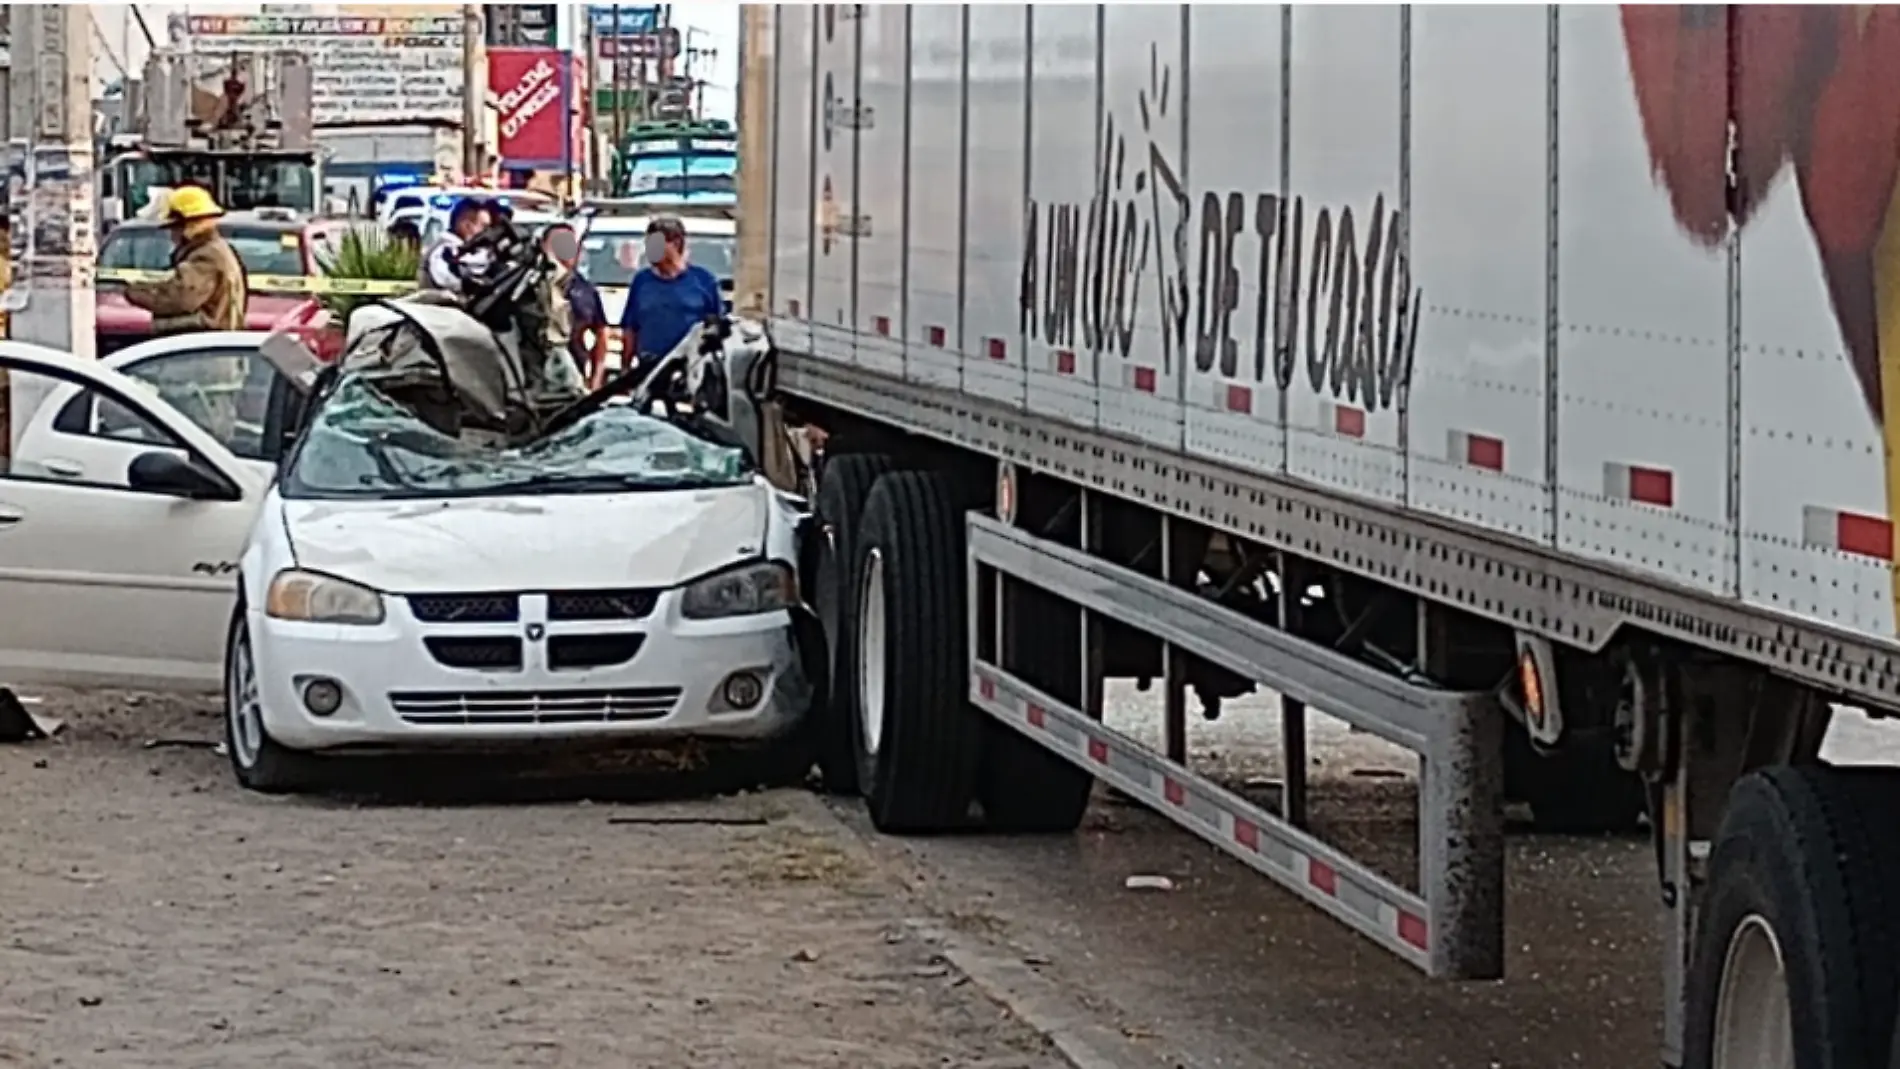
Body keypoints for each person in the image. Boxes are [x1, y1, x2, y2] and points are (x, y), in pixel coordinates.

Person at [122, 186, 248, 335]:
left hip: (203, 348)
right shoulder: (216, 250)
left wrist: (134, 292)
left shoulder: (206, 256)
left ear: (189, 224)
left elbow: (180, 298)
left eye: (174, 228)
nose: (172, 235)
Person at [618, 216, 723, 378]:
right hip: (650, 369)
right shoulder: (642, 281)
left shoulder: (704, 281)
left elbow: (717, 328)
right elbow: (631, 328)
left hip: (691, 370)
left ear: (675, 244)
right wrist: (625, 367)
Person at [418, 197, 491, 292]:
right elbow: (447, 278)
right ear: (467, 226)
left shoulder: (459, 249)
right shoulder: (443, 250)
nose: (487, 233)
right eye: (483, 227)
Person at [568, 267, 611, 387]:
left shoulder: (585, 289)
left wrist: (596, 378)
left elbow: (601, 332)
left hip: (575, 371)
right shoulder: (529, 281)